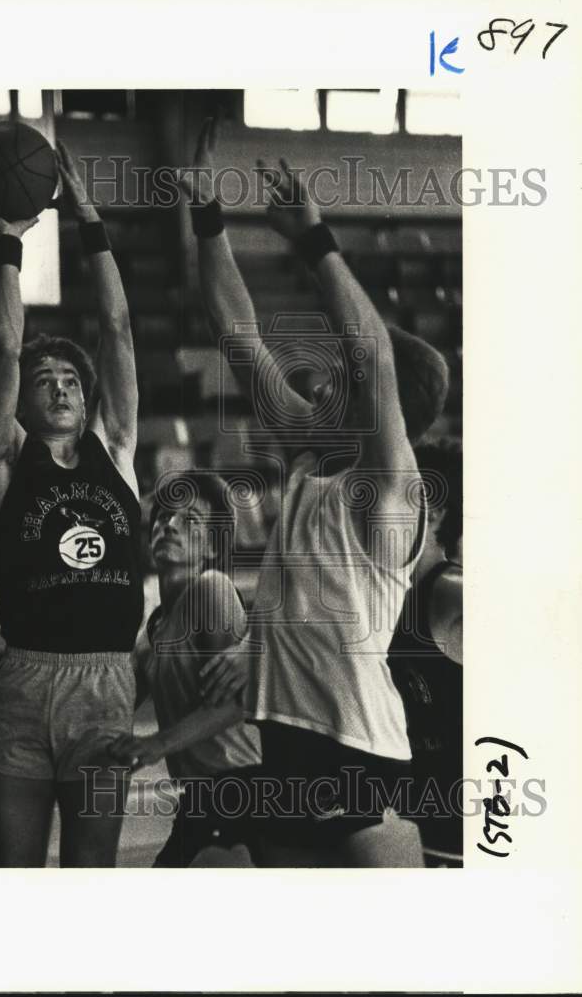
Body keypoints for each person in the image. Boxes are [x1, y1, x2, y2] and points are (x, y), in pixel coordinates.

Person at [181, 119, 450, 866]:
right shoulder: (311, 460)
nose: (320, 377)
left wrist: (314, 242)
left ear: (382, 407)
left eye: (338, 379)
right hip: (288, 741)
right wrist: (207, 218)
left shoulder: (387, 492)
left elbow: (369, 355)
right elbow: (236, 332)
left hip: (355, 750)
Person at [0, 140, 142, 867]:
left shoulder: (117, 451)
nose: (60, 385)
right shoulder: (5, 465)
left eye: (70, 377)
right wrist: (9, 242)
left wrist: (89, 218)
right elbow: (2, 352)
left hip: (106, 681)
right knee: (16, 878)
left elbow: (119, 329)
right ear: (23, 408)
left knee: (89, 878)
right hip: (28, 680)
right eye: (45, 381)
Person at [109, 471, 263, 867]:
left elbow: (240, 701)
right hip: (200, 799)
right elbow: (113, 707)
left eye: (190, 520)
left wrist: (157, 743)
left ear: (213, 545)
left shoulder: (211, 588)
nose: (169, 526)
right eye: (163, 518)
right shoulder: (153, 627)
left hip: (242, 790)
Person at [387, 440, 463, 865]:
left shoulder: (453, 593)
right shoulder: (390, 595)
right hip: (414, 828)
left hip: (463, 840)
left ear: (431, 511)